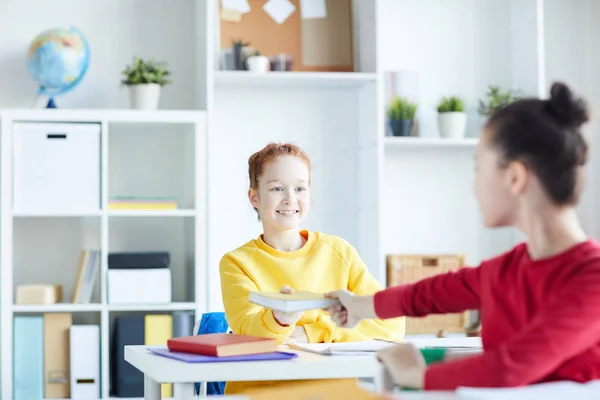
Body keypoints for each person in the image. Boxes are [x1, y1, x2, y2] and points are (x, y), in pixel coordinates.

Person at [327, 82, 600, 391]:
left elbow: (510, 368)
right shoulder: (506, 269)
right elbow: (426, 295)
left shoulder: (592, 278)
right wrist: (358, 307)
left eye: (478, 167)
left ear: (514, 177)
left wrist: (415, 375)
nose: (474, 187)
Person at [219, 142, 405, 395]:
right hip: (260, 390)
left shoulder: (339, 252)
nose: (290, 199)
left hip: (330, 390)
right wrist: (279, 319)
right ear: (254, 197)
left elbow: (390, 322)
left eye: (299, 188)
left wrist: (313, 331)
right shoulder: (237, 263)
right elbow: (248, 333)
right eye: (276, 188)